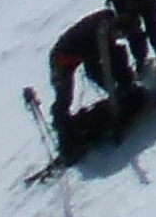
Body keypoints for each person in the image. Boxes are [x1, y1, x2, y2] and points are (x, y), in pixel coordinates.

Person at [45, 10, 143, 156]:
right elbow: (93, 69)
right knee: (64, 98)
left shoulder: (106, 26)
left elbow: (115, 58)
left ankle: (127, 94)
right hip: (62, 60)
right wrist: (113, 89)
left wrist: (124, 83)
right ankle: (66, 138)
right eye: (119, 35)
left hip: (78, 52)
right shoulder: (98, 36)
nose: (118, 38)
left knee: (117, 56)